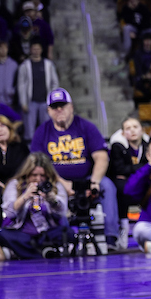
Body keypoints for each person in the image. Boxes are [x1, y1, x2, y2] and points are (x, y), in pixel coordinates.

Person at [29, 88, 118, 239]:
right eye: (54, 107)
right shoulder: (42, 131)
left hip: (87, 178)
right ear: (48, 110)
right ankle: (65, 237)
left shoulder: (86, 126)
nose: (59, 110)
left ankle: (111, 237)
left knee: (107, 186)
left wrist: (94, 182)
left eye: (62, 105)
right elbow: (38, 163)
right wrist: (62, 182)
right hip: (56, 180)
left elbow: (101, 157)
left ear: (71, 107)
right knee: (56, 193)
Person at [0, 154, 69, 262]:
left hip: (48, 233)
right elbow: (9, 213)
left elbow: (62, 213)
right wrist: (25, 197)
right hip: (23, 235)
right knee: (4, 235)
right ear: (27, 173)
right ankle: (45, 253)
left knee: (67, 232)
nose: (38, 179)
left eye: (42, 175)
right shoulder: (15, 184)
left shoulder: (54, 185)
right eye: (34, 175)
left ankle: (23, 253)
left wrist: (52, 200)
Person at [17, 40, 57, 136]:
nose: (36, 51)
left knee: (47, 128)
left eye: (38, 49)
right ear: (30, 50)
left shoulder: (48, 64)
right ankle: (30, 149)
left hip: (45, 102)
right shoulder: (25, 65)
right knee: (29, 130)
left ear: (41, 50)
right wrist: (23, 103)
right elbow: (21, 85)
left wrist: (52, 100)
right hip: (31, 102)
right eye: (34, 49)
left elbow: (54, 83)